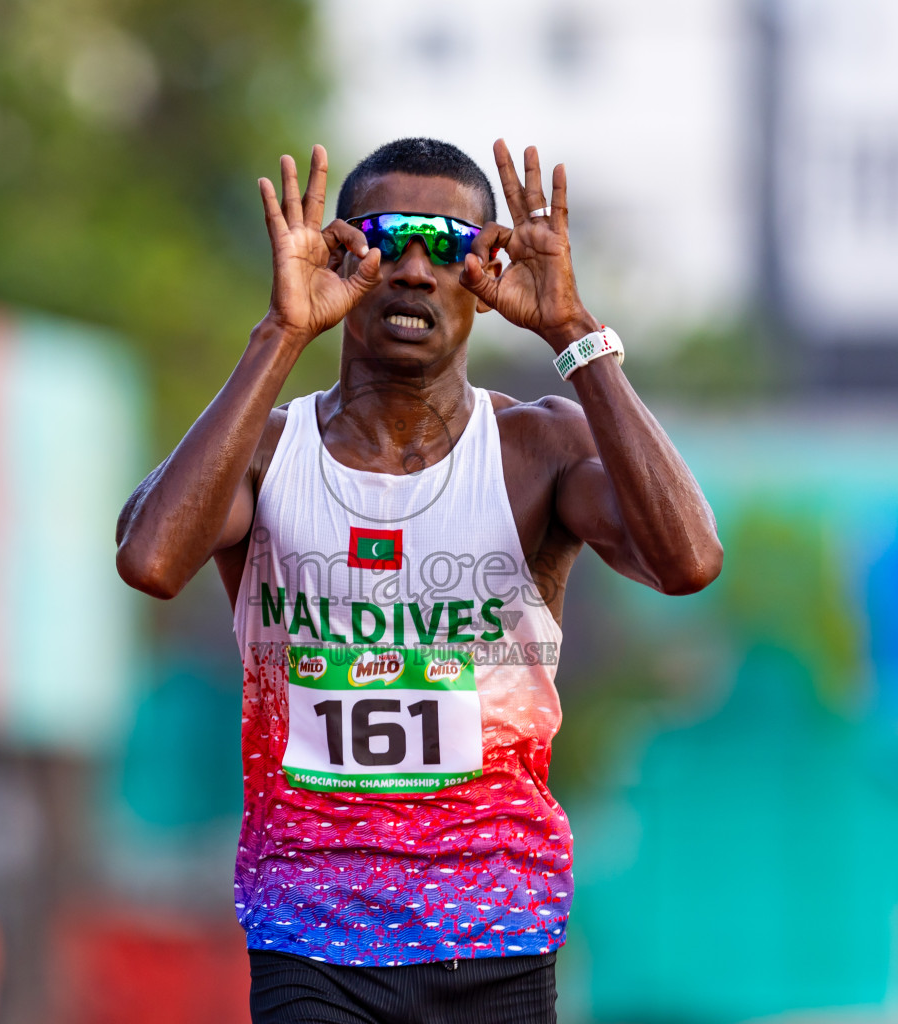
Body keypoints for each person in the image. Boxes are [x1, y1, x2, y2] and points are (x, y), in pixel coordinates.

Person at [116, 137, 723, 1024]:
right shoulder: (267, 455)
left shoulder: (535, 452)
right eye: (383, 239)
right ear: (335, 256)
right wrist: (281, 333)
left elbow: (687, 561)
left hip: (499, 940)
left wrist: (573, 333)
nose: (411, 269)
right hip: (311, 940)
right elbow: (150, 561)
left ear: (485, 275)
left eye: (447, 245)